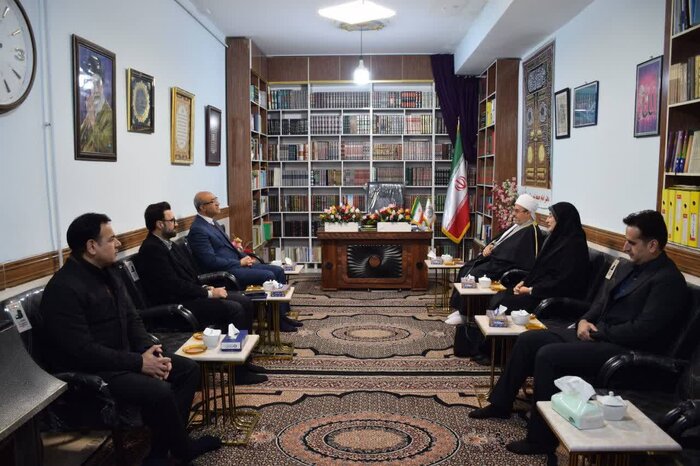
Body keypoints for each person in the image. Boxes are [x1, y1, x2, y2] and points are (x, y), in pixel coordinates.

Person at [469, 210, 690, 458]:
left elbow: (644, 329)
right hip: (594, 333)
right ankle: (500, 404)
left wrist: (598, 333)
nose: (625, 247)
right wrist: (585, 319)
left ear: (653, 245)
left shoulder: (667, 281)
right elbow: (601, 302)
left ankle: (540, 439)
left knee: (548, 356)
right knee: (528, 339)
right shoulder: (629, 267)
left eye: (631, 242)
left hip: (622, 349)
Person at [40, 213, 221, 466]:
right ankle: (182, 449)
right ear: (91, 246)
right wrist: (139, 363)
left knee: (187, 369)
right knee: (160, 390)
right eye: (111, 239)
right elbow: (81, 351)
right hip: (96, 372)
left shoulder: (109, 272)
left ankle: (161, 449)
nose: (118, 244)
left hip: (125, 357)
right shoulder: (63, 288)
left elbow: (131, 317)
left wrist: (149, 350)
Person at [137, 202, 267, 384]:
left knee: (244, 301)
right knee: (235, 309)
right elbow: (172, 286)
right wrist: (208, 294)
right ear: (160, 224)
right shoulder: (151, 249)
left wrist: (207, 288)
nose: (176, 224)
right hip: (176, 306)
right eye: (172, 220)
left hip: (190, 296)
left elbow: (190, 276)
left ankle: (243, 360)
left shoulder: (169, 245)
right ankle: (238, 372)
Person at [187, 192, 302, 331]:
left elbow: (227, 248)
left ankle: (281, 317)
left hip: (236, 264)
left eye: (216, 199)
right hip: (226, 272)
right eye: (213, 201)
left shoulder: (212, 222)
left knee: (278, 271)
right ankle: (277, 321)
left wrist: (244, 256)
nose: (218, 203)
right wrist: (239, 262)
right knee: (268, 276)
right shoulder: (198, 230)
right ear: (202, 207)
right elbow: (210, 261)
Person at [449, 193, 543, 313]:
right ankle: (460, 310)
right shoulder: (517, 225)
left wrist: (495, 253)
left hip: (505, 267)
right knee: (465, 268)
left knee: (475, 273)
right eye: (514, 210)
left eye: (517, 211)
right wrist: (490, 246)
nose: (513, 213)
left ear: (528, 213)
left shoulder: (532, 232)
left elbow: (526, 259)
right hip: (496, 260)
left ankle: (468, 313)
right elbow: (501, 240)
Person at [489, 201, 589, 313]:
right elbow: (540, 268)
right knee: (500, 296)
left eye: (551, 216)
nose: (547, 220)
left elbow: (563, 282)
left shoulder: (574, 246)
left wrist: (531, 290)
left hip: (553, 299)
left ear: (562, 219)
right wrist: (524, 282)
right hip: (541, 291)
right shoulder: (556, 240)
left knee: (506, 302)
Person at [79, 55, 113, 154]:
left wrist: (93, 121)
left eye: (98, 84)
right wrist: (88, 117)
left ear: (102, 87)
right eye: (93, 85)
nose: (96, 89)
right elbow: (79, 141)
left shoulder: (109, 115)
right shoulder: (91, 111)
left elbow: (106, 146)